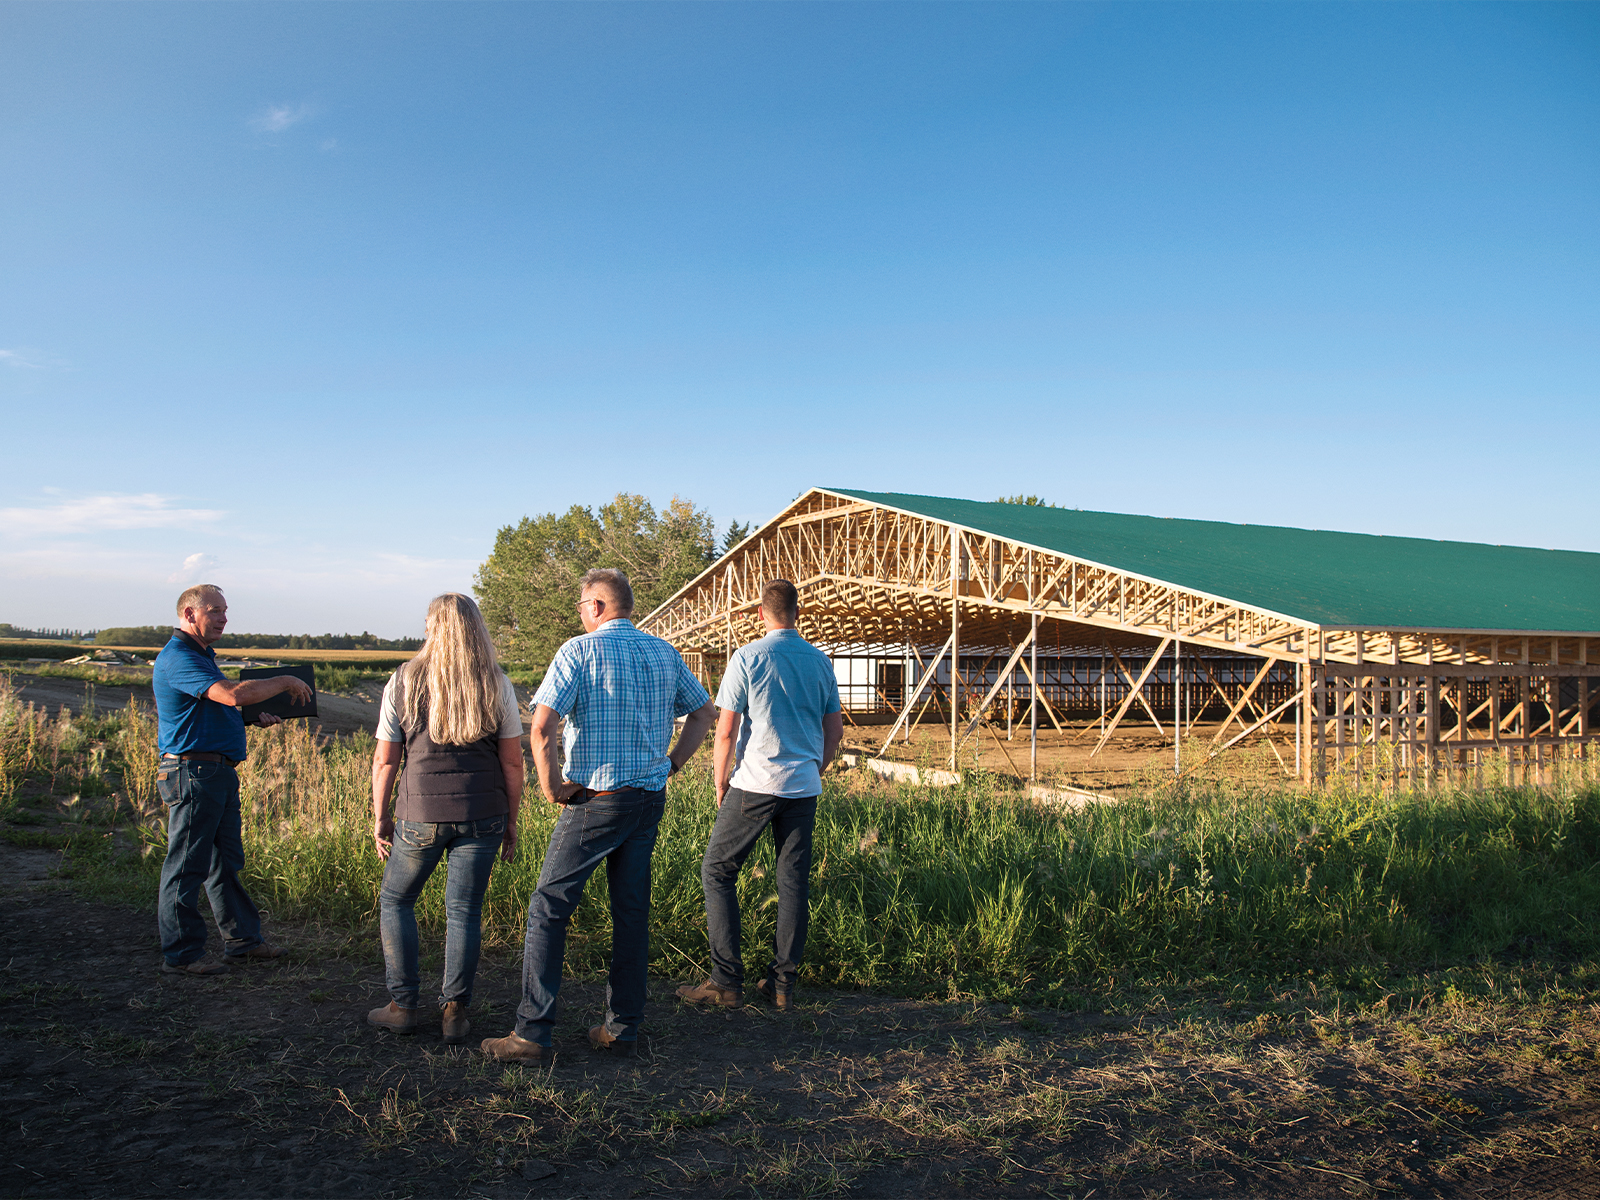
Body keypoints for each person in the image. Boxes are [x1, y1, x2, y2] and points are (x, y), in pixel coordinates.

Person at [481, 568, 716, 1064]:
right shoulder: (663, 652)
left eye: (582, 607)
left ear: (596, 606)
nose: (581, 616)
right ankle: (622, 1028)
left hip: (596, 798)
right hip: (648, 797)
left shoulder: (578, 652)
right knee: (631, 912)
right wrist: (672, 763)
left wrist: (551, 787)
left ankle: (531, 1033)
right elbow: (702, 713)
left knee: (549, 907)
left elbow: (542, 726)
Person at [677, 579, 843, 1011]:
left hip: (755, 783)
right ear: (797, 612)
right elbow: (834, 729)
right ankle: (782, 986)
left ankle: (726, 981)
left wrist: (720, 780)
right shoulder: (820, 661)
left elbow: (726, 728)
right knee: (792, 882)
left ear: (760, 613)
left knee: (717, 870)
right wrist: (814, 767)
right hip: (803, 787)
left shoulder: (748, 656)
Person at [367, 593, 525, 1045]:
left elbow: (385, 760)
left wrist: (381, 818)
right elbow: (513, 764)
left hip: (420, 815)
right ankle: (455, 1011)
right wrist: (512, 820)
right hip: (483, 814)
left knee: (398, 900)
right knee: (464, 911)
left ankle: (402, 1005)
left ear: (431, 628)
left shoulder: (403, 680)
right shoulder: (495, 682)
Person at [154, 584, 313, 975]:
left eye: (226, 611)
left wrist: (254, 717)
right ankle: (182, 955)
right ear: (189, 614)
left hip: (214, 773)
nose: (224, 618)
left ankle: (242, 942)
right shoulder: (178, 657)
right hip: (193, 774)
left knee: (224, 863)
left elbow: (219, 707)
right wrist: (285, 682)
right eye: (215, 611)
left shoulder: (203, 657)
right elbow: (230, 695)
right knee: (186, 864)